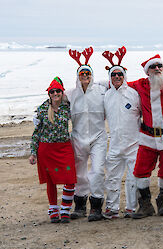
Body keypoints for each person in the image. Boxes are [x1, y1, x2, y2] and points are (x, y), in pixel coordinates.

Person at [127, 54, 163, 219]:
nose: (157, 69)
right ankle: (145, 205)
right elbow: (118, 83)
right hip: (147, 137)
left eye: (160, 66)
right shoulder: (140, 84)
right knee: (139, 171)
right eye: (153, 67)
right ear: (147, 71)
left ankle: (162, 202)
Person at [66, 47, 107, 222]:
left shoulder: (101, 91)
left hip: (98, 137)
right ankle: (80, 205)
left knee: (97, 171)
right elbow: (54, 102)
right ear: (78, 75)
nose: (85, 76)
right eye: (82, 73)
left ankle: (96, 206)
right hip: (78, 138)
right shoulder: (70, 94)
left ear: (92, 75)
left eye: (87, 73)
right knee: (79, 173)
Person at [29, 77, 77, 223]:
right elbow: (36, 132)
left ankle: (65, 209)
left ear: (62, 92)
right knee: (51, 182)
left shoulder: (67, 107)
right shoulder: (42, 110)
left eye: (58, 91)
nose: (55, 93)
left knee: (70, 179)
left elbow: (78, 95)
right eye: (53, 91)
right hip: (46, 150)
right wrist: (33, 152)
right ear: (49, 94)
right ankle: (54, 210)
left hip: (64, 148)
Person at [101, 46, 140, 219]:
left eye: (120, 75)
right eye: (114, 75)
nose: (117, 77)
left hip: (133, 144)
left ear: (124, 76)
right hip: (115, 145)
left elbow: (145, 114)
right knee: (112, 178)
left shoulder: (134, 94)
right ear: (110, 77)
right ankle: (112, 208)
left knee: (133, 179)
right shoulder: (106, 95)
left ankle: (131, 207)